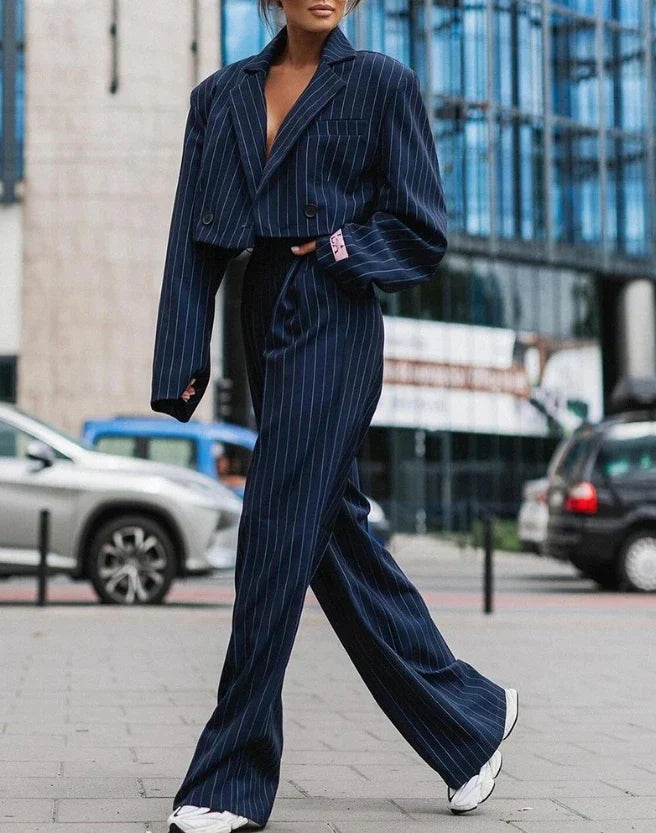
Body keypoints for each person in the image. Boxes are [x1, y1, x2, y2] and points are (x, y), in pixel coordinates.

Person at [153, 3, 519, 832]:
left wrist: (340, 250)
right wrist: (181, 355)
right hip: (260, 309)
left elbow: (422, 226)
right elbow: (192, 237)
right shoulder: (219, 96)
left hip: (334, 313)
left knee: (274, 529)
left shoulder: (383, 84)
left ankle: (229, 776)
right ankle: (467, 720)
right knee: (328, 533)